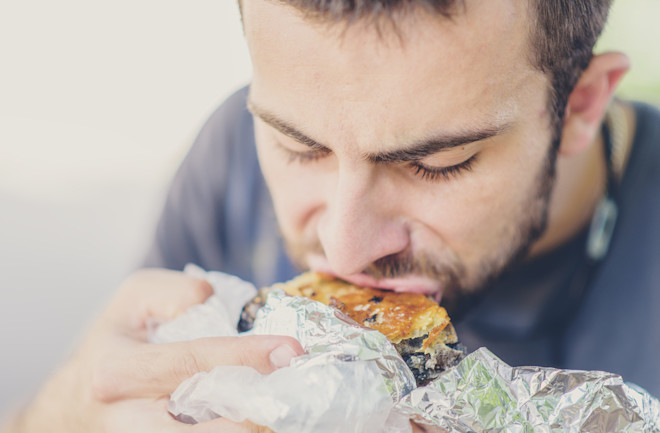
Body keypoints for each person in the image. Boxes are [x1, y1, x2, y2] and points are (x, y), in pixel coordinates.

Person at [3, 0, 659, 432]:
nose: (341, 250)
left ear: (581, 105)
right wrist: (63, 411)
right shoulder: (229, 160)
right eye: (298, 145)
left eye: (436, 163)